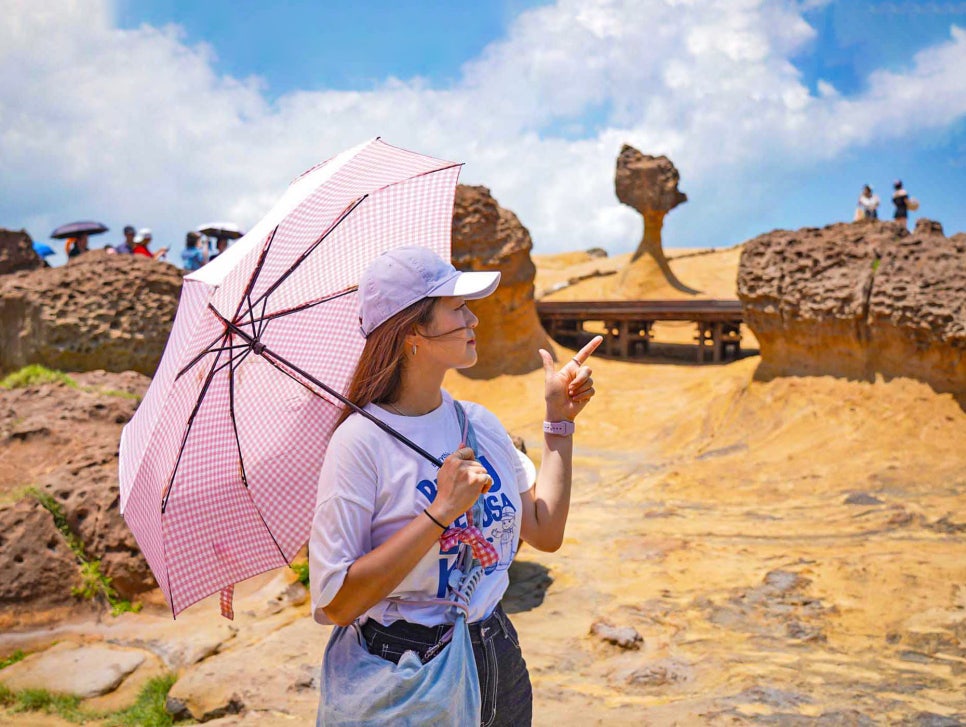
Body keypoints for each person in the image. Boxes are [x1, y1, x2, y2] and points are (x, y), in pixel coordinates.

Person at [309, 246, 602, 725]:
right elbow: (337, 602)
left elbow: (545, 532)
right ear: (413, 334)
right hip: (405, 672)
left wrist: (558, 424)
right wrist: (439, 512)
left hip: (497, 656)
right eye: (457, 308)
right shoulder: (359, 442)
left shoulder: (479, 424)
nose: (474, 319)